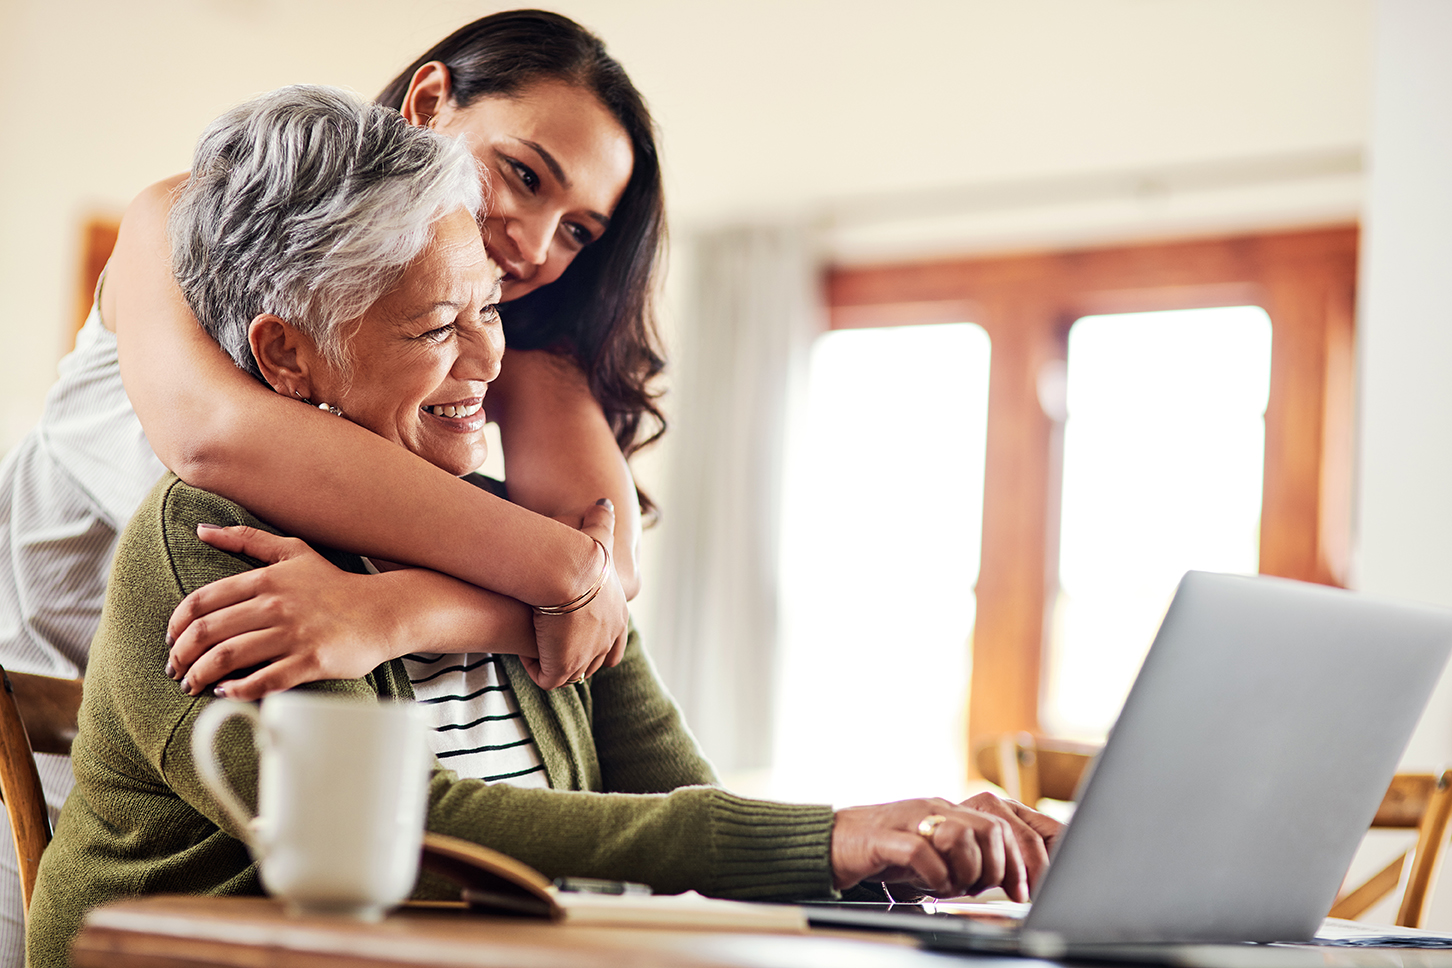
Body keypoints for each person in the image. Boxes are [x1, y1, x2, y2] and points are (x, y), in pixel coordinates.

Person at [25, 86, 1062, 968]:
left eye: (494, 311)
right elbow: (408, 836)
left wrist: (884, 856)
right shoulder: (212, 540)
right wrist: (826, 839)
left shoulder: (500, 526)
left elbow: (675, 791)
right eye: (437, 326)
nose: (487, 366)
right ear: (289, 356)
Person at [0, 10, 664, 961]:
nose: (533, 243)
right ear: (430, 100)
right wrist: (559, 575)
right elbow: (219, 439)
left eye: (578, 232)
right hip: (41, 730)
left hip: (239, 757)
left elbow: (608, 586)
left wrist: (398, 614)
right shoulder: (190, 225)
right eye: (522, 175)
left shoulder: (492, 331)